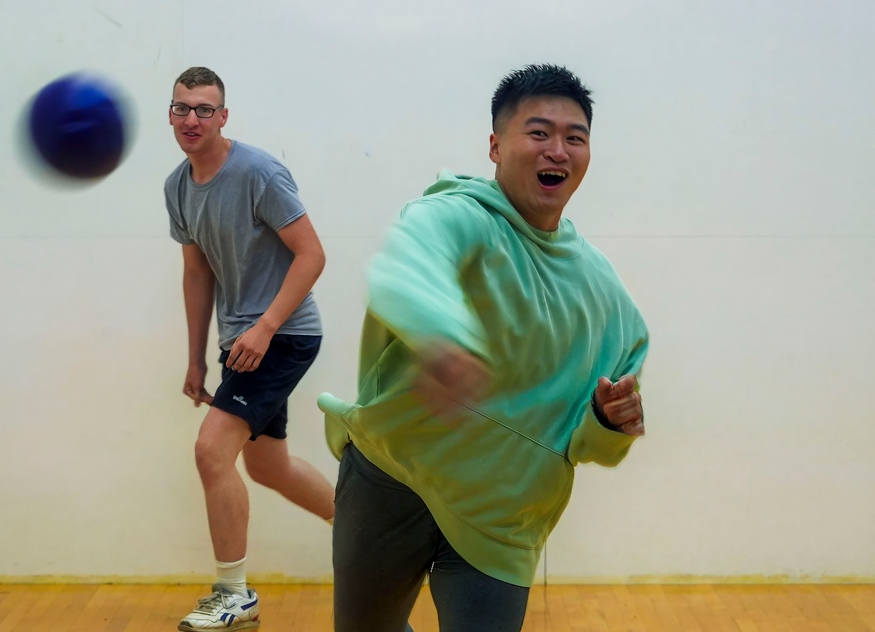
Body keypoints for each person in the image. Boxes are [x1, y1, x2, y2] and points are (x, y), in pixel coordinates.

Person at [318, 64, 649, 632]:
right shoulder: (452, 216)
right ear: (495, 146)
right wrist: (444, 343)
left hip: (502, 520)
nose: (558, 150)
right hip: (391, 476)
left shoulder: (609, 299)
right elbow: (406, 270)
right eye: (539, 132)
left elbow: (594, 442)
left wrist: (609, 422)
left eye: (575, 137)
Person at [164, 66, 335, 631]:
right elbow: (196, 273)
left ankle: (234, 594)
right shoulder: (178, 187)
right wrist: (194, 356)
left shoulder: (259, 172)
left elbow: (311, 255)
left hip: (283, 335)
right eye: (182, 108)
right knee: (270, 467)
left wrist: (263, 328)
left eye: (204, 109)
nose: (192, 119)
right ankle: (381, 538)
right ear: (171, 114)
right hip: (239, 342)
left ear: (223, 116)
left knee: (212, 450)